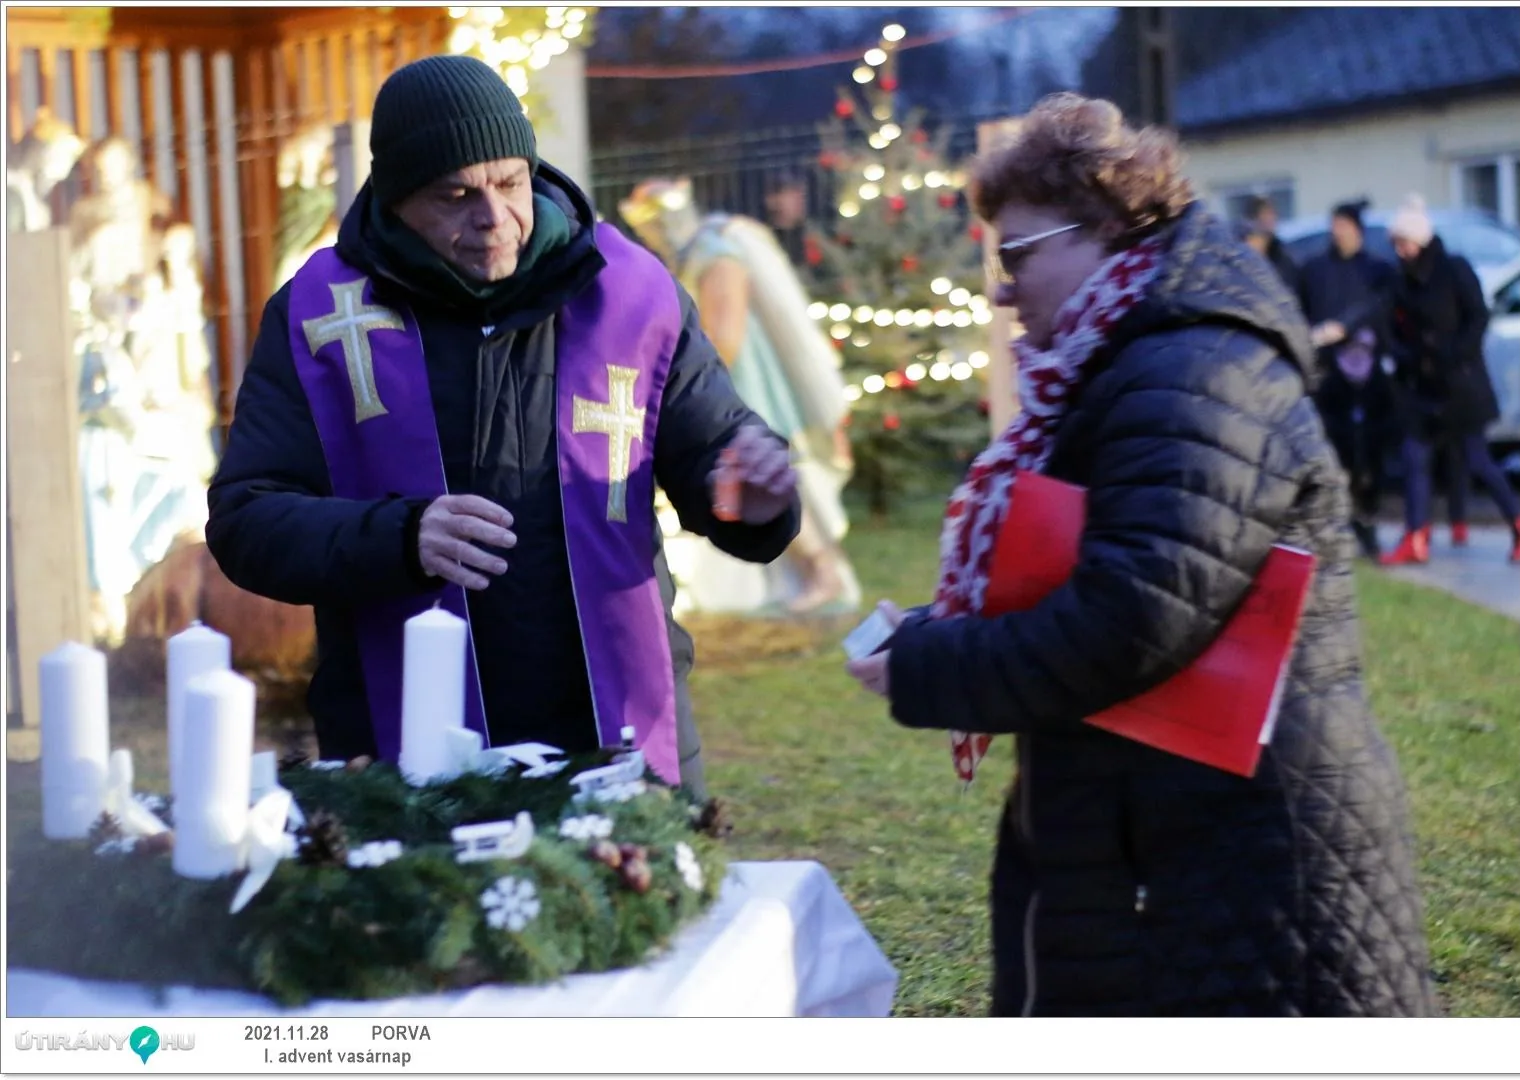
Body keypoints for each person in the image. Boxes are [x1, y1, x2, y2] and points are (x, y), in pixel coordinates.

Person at [844, 94, 1436, 1017]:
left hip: (1237, 860)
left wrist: (930, 663)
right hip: (1163, 833)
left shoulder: (1191, 365)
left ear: (1108, 232)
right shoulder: (1127, 356)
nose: (998, 289)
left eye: (1014, 256)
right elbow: (1094, 573)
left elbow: (1135, 613)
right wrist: (936, 630)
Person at [206, 56, 802, 797]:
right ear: (395, 200)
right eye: (455, 196)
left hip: (615, 727)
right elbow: (246, 521)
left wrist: (754, 496)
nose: (493, 217)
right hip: (402, 749)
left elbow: (716, 455)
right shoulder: (318, 316)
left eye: (510, 182)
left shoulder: (633, 295)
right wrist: (399, 537)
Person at [620, 177, 860, 616]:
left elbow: (722, 339)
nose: (653, 235)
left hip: (740, 384)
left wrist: (681, 375)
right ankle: (798, 578)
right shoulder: (693, 256)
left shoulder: (717, 255)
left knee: (765, 473)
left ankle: (822, 571)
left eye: (656, 223)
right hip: (719, 382)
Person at [1379, 195, 1520, 565]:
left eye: (1404, 241)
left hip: (1462, 385)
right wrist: (1403, 356)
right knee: (1415, 456)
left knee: (1479, 461)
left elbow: (1478, 316)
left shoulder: (1454, 269)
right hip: (1423, 387)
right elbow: (1394, 326)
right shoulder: (1400, 280)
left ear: (1421, 239)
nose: (1400, 248)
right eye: (1396, 242)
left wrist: (1455, 354)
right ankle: (1415, 535)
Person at [1296, 199, 1398, 559]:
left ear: (1356, 229)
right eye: (1334, 226)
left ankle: (1367, 519)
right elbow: (1302, 312)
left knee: (1369, 454)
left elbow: (1382, 309)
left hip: (1371, 376)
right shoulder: (1315, 270)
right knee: (1334, 450)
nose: (1338, 233)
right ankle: (1339, 524)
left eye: (1344, 226)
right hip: (1329, 376)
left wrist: (1347, 327)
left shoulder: (1378, 270)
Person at [1241, 194, 1300, 296]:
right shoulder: (1239, 259)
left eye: (1272, 215)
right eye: (1264, 215)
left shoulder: (1283, 256)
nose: (1270, 220)